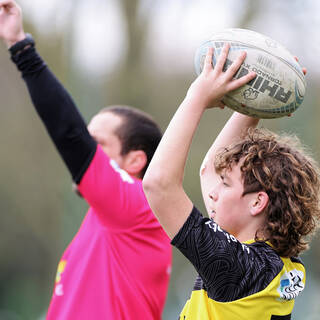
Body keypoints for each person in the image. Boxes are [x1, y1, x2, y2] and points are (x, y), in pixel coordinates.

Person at [0, 1, 172, 319]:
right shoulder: (108, 220)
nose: (87, 149)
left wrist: (22, 48)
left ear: (135, 160)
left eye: (98, 143)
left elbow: (70, 134)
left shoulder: (137, 204)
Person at [143, 42, 320, 319]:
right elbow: (210, 171)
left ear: (258, 202)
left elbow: (158, 185)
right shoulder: (280, 267)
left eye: (226, 184)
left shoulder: (235, 268)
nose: (213, 192)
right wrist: (255, 103)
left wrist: (197, 97)